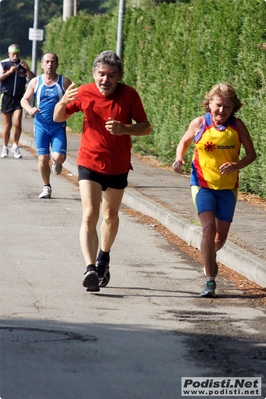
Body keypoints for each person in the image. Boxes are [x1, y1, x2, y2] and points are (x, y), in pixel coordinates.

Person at [53, 50, 151, 292]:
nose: (105, 80)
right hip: (89, 162)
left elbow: (146, 128)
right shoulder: (84, 92)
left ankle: (103, 257)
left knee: (110, 216)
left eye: (111, 75)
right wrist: (63, 102)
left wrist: (125, 129)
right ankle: (89, 269)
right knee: (89, 214)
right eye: (101, 74)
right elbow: (57, 117)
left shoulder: (129, 95)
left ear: (119, 77)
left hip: (117, 165)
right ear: (94, 74)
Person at [172, 83, 256, 298]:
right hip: (202, 185)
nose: (222, 110)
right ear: (209, 103)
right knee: (208, 230)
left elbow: (251, 154)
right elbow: (184, 141)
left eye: (227, 107)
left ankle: (209, 259)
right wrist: (179, 158)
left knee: (219, 239)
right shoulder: (200, 123)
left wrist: (236, 165)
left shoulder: (237, 126)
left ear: (233, 109)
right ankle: (209, 281)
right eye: (218, 105)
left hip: (228, 188)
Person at [21, 52, 72, 199]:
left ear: (57, 64)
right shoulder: (36, 82)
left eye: (53, 62)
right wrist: (30, 109)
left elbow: (75, 100)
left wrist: (67, 111)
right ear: (42, 65)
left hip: (58, 127)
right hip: (41, 126)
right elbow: (24, 100)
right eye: (47, 62)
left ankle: (57, 162)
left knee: (59, 157)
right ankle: (46, 187)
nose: (50, 64)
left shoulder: (64, 82)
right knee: (43, 159)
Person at [0, 44, 35, 159]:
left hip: (19, 98)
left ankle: (15, 145)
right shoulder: (3, 64)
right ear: (9, 54)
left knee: (17, 123)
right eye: (13, 53)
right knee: (8, 125)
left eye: (17, 53)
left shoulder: (22, 65)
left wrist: (27, 69)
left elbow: (33, 79)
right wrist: (9, 72)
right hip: (7, 97)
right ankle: (5, 147)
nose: (15, 55)